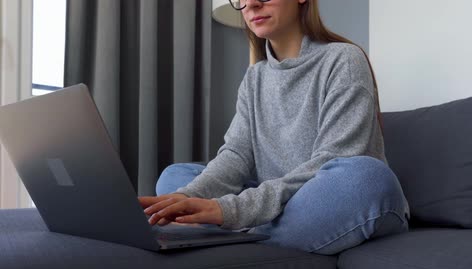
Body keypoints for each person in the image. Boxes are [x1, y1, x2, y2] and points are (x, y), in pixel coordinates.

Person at [139, 0, 410, 255]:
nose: (252, 4)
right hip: (282, 203)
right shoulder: (254, 78)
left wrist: (228, 210)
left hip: (335, 198)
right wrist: (184, 198)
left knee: (367, 178)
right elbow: (236, 156)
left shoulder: (343, 60)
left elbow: (334, 159)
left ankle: (240, 231)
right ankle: (249, 230)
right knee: (174, 178)